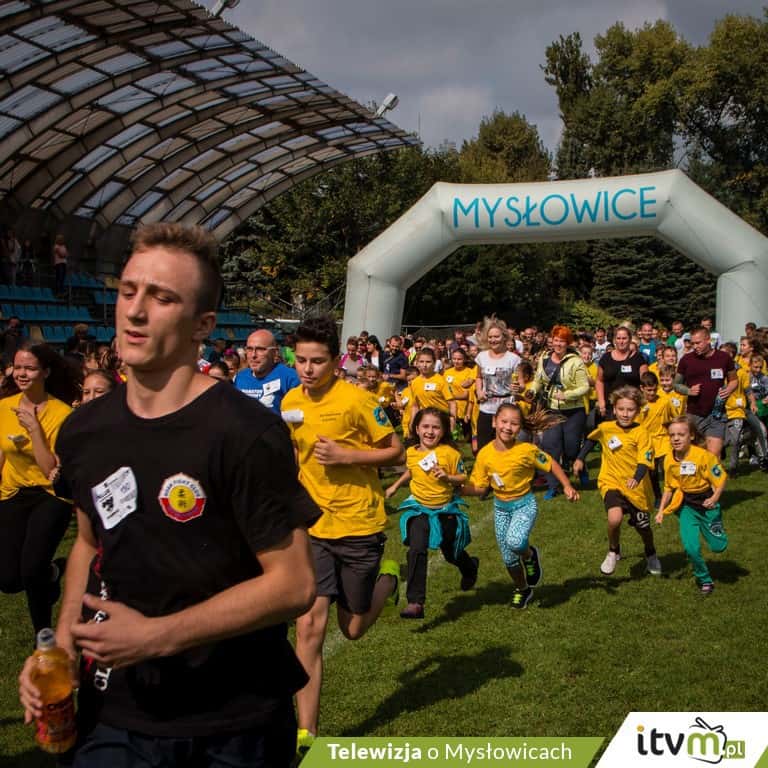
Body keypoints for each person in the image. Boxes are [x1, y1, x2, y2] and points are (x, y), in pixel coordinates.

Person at [19, 222, 319, 767]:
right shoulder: (85, 430)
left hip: (234, 723)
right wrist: (63, 644)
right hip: (117, 713)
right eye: (129, 291)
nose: (135, 311)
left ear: (203, 325)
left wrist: (157, 636)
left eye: (161, 298)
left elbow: (294, 583)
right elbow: (88, 543)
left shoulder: (245, 433)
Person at [281, 315, 403, 756]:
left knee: (351, 629)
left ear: (336, 360)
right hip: (314, 526)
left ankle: (388, 581)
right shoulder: (290, 401)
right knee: (308, 626)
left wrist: (347, 455)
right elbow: (296, 454)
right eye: (301, 360)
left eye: (317, 361)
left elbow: (396, 451)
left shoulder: (358, 401)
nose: (308, 369)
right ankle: (306, 733)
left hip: (359, 525)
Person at [463, 403, 579, 609]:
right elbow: (480, 488)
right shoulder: (484, 454)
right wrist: (459, 490)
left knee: (516, 542)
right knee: (508, 558)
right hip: (501, 509)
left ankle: (530, 555)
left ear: (520, 427)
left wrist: (567, 485)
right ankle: (523, 589)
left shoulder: (526, 450)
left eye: (514, 423)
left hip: (524, 505)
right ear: (494, 422)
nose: (508, 427)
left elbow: (551, 463)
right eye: (504, 421)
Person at [0, 343, 79, 638]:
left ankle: (43, 638)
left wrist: (34, 429)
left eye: (30, 368)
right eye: (18, 367)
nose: (22, 373)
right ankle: (53, 572)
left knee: (32, 569)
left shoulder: (61, 413)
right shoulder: (3, 406)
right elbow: (2, 453)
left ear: (45, 372)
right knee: (8, 580)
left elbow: (51, 471)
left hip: (50, 495)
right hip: (12, 491)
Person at [385, 408, 478, 619]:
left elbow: (462, 477)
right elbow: (412, 470)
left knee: (451, 552)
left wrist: (447, 477)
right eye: (425, 426)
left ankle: (470, 567)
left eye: (436, 427)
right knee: (417, 549)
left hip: (445, 511)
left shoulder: (451, 454)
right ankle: (415, 602)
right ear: (417, 429)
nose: (430, 431)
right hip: (419, 510)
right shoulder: (410, 452)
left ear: (443, 431)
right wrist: (395, 486)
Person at [573, 386, 662, 577]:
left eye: (630, 410)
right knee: (614, 519)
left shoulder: (642, 433)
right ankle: (613, 551)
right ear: (614, 409)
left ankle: (651, 553)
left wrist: (636, 478)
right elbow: (591, 440)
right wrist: (580, 458)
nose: (625, 414)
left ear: (637, 411)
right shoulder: (606, 428)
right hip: (611, 481)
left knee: (643, 528)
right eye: (621, 409)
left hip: (636, 488)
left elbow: (645, 460)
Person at [656, 417, 728, 595]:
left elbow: (721, 478)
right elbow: (668, 487)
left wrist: (715, 497)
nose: (676, 438)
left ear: (692, 436)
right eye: (672, 435)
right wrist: (661, 511)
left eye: (681, 434)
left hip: (707, 503)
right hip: (686, 506)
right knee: (691, 547)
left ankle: (711, 527)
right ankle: (705, 580)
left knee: (719, 546)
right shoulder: (668, 459)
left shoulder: (704, 456)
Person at [529, 325, 589, 498]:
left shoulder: (576, 361)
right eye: (556, 340)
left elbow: (584, 387)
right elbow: (538, 380)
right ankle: (553, 485)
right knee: (550, 447)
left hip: (573, 411)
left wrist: (567, 395)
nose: (558, 344)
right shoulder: (544, 358)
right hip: (552, 409)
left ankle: (579, 464)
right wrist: (532, 390)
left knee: (571, 449)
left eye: (562, 341)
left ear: (568, 343)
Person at [675, 326, 737, 457]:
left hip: (716, 414)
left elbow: (734, 380)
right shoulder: (686, 360)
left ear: (708, 340)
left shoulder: (724, 358)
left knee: (713, 455)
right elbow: (676, 384)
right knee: (694, 455)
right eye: (693, 343)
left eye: (698, 343)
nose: (695, 346)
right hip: (694, 414)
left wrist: (729, 389)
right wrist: (688, 390)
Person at [474, 317, 521, 451]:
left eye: (496, 337)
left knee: (505, 446)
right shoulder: (481, 357)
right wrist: (479, 391)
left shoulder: (514, 359)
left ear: (504, 337)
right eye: (490, 337)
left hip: (506, 409)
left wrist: (518, 387)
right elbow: (478, 377)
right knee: (483, 447)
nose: (493, 340)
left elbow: (521, 384)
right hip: (486, 408)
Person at [234, 328, 300, 414]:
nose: (253, 355)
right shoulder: (240, 377)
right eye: (249, 349)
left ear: (275, 352)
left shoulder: (290, 378)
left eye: (260, 349)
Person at [595, 326, 648, 420]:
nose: (621, 341)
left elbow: (645, 383)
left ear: (630, 339)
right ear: (614, 340)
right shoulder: (605, 358)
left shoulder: (639, 359)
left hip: (631, 408)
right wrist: (601, 401)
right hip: (609, 407)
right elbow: (599, 381)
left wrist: (643, 403)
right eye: (618, 338)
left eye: (624, 338)